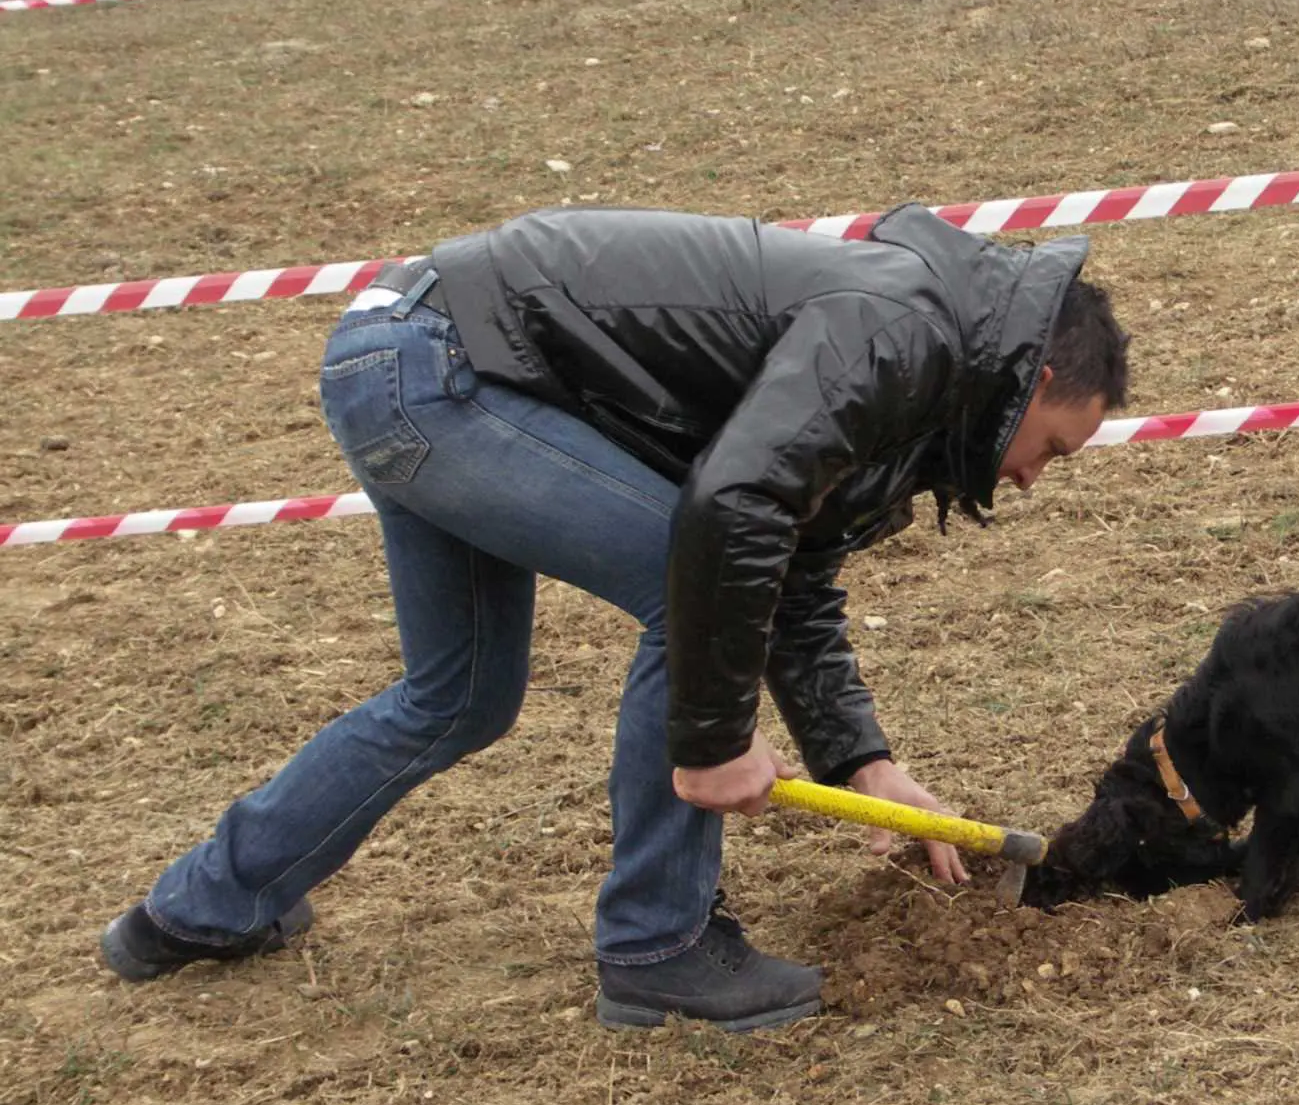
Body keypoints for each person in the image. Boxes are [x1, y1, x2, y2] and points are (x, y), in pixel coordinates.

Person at [98, 204, 1130, 1032]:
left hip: (413, 359)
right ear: (1033, 379)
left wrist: (861, 758)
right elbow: (733, 513)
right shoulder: (904, 330)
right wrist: (714, 745)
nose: (1034, 478)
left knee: (458, 697)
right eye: (1053, 446)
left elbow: (792, 566)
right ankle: (657, 947)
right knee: (687, 585)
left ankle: (196, 910)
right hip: (440, 364)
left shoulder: (924, 377)